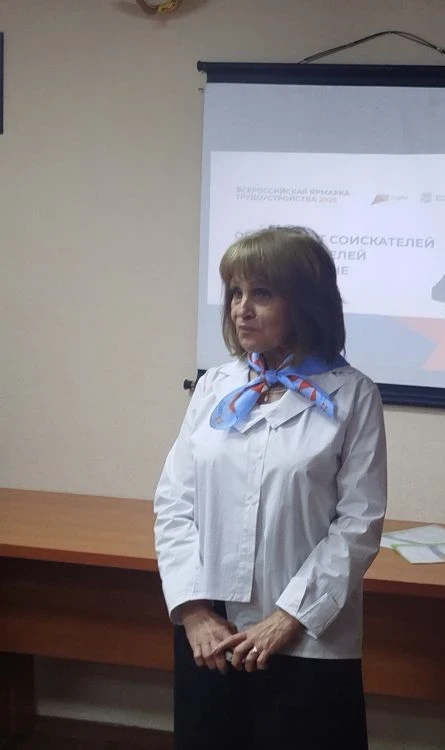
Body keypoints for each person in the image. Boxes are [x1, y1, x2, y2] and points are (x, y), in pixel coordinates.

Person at [153, 226, 387, 750]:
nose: (241, 309)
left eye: (261, 293)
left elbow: (359, 524)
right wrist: (193, 612)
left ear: (304, 303)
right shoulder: (215, 387)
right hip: (210, 635)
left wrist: (288, 618)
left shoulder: (353, 395)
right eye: (235, 292)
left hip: (306, 635)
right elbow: (174, 502)